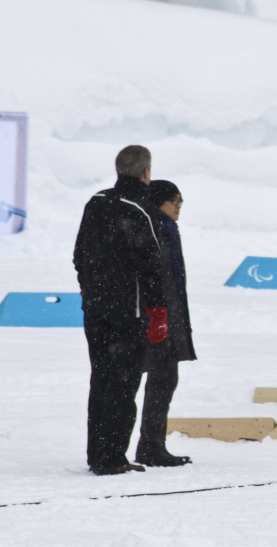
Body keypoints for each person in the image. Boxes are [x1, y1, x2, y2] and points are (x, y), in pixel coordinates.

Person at [74, 145, 168, 476]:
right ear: (145, 172)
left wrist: (88, 291)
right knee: (123, 383)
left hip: (96, 309)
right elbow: (152, 266)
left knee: (100, 379)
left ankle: (96, 453)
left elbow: (79, 254)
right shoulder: (141, 208)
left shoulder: (97, 202)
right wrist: (158, 312)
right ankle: (112, 457)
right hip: (127, 312)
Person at [135, 180, 196, 467]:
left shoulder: (163, 228)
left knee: (162, 380)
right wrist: (159, 314)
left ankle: (150, 445)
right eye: (174, 199)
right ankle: (149, 447)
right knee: (160, 380)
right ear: (158, 201)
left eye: (181, 199)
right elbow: (156, 279)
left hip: (163, 316)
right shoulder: (156, 228)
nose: (179, 204)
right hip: (156, 319)